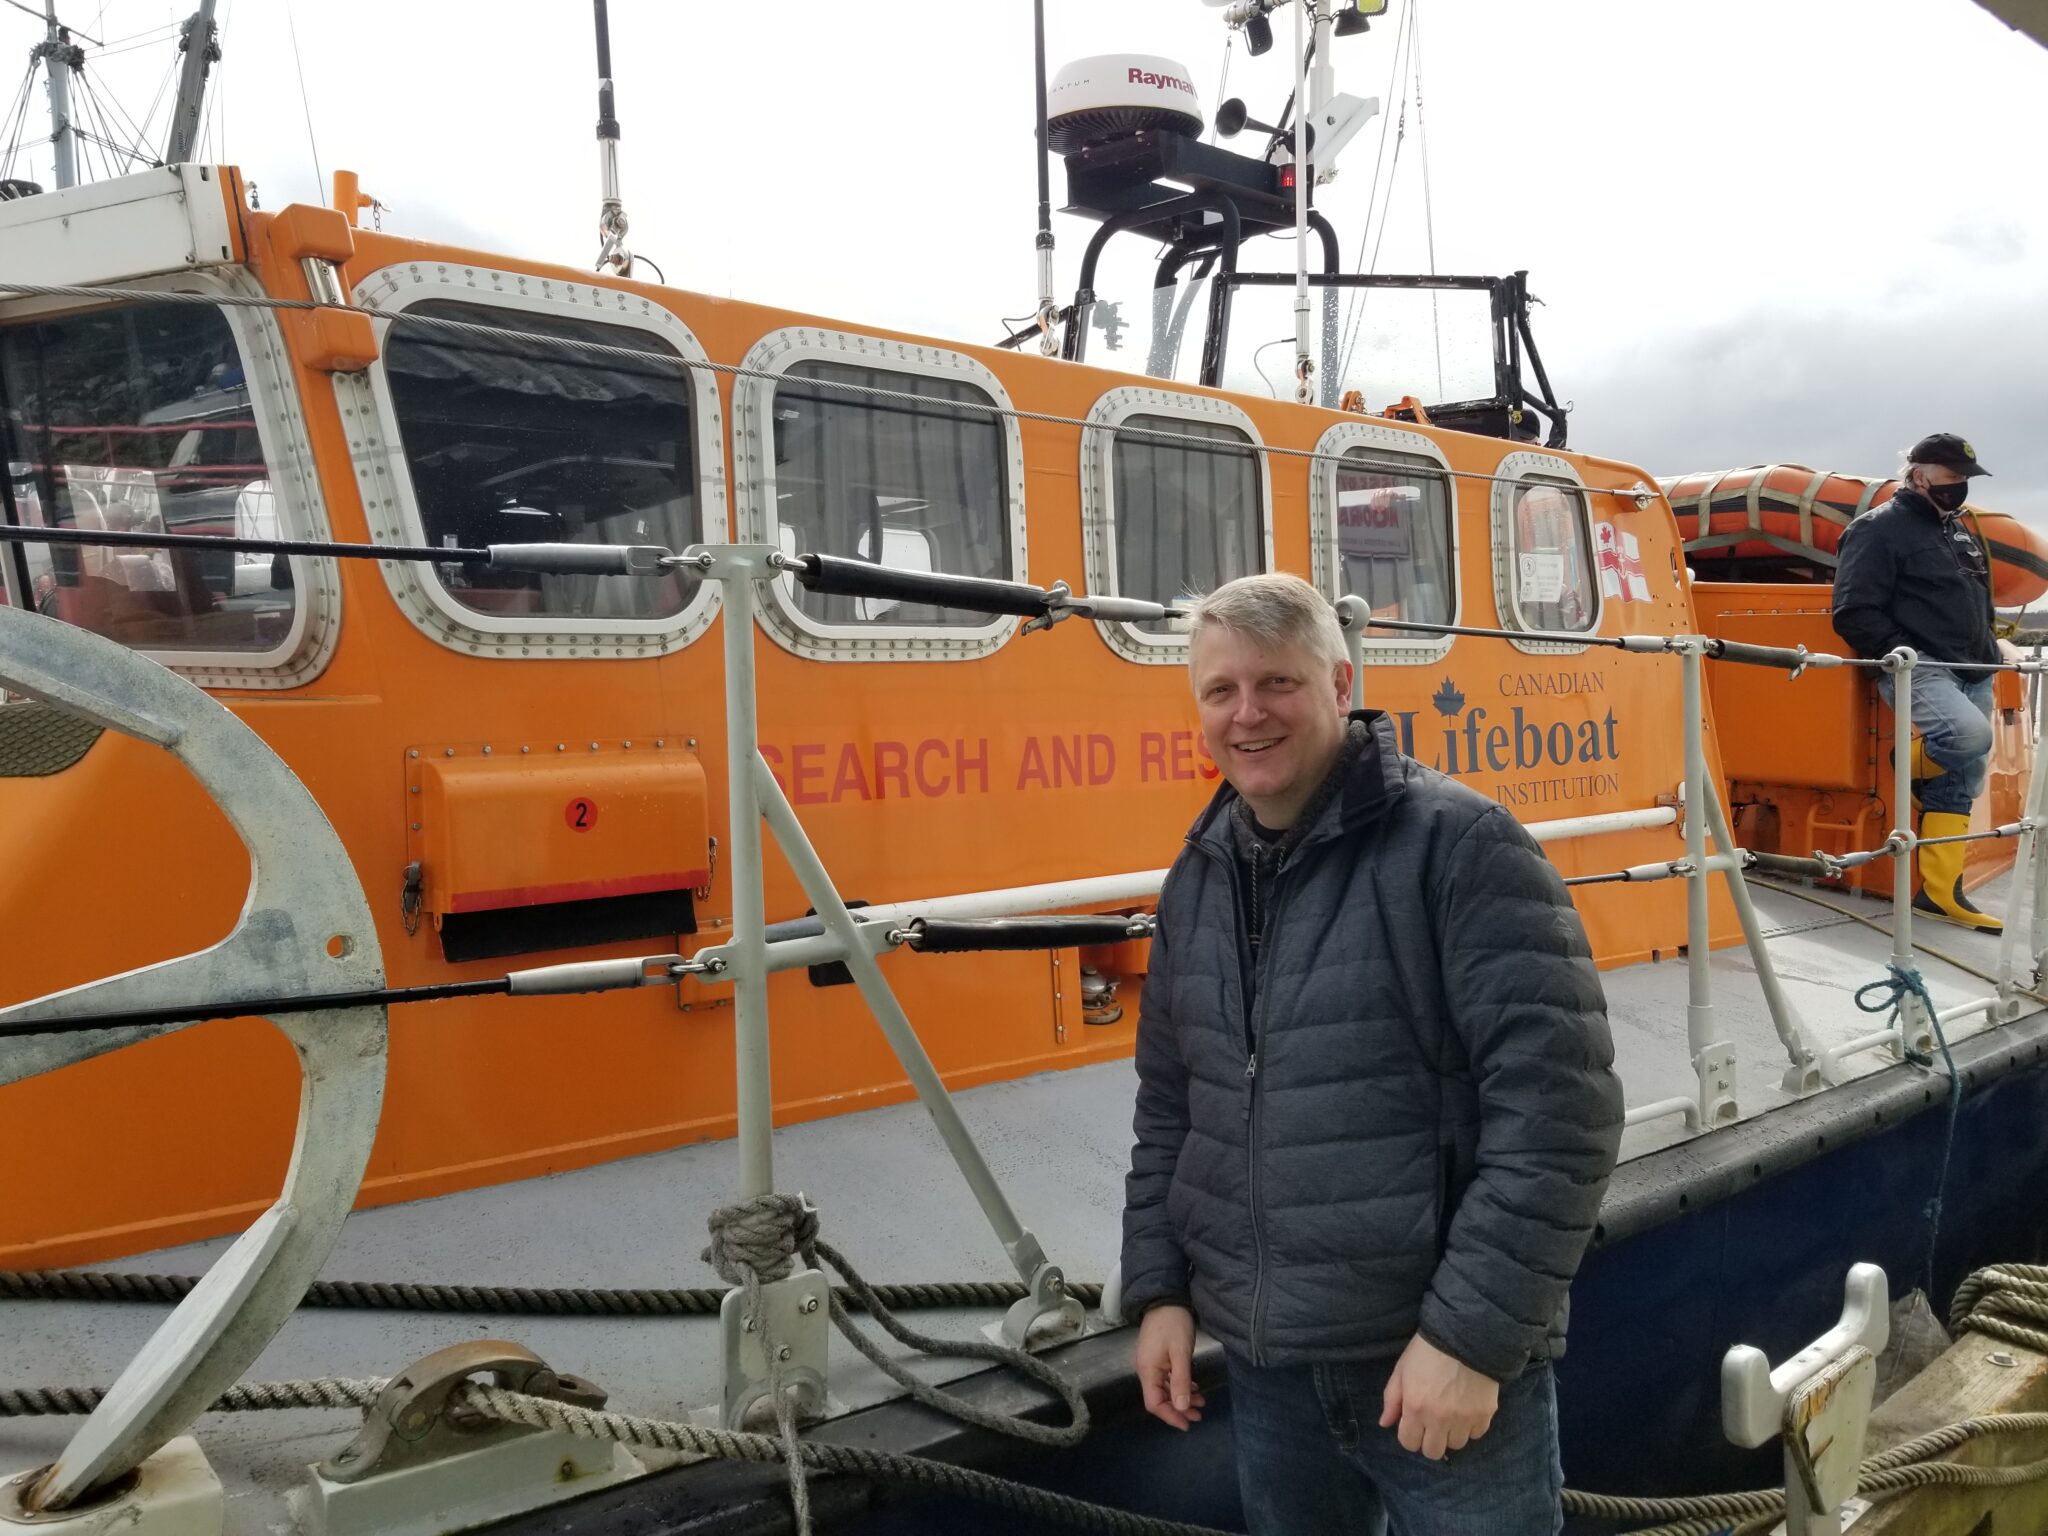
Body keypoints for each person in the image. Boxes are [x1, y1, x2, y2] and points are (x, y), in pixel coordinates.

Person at [1120, 572, 1624, 1536]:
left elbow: (1562, 1113)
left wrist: (1468, 1341)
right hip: (1271, 1374)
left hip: (1432, 1367)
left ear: (1340, 683)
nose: (1247, 714)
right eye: (1221, 690)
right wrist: (1160, 1289)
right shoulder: (1199, 876)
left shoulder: (1462, 846)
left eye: (1277, 682)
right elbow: (1173, 1106)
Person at [1831, 433, 2002, 934]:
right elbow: (1853, 610)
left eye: (1965, 478)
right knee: (1967, 738)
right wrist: (1900, 653)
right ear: (1919, 474)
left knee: (1962, 780)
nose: (1960, 486)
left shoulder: (1958, 530)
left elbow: (1976, 601)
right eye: (1952, 477)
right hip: (1921, 663)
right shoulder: (1877, 530)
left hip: (1975, 666)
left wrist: (1993, 649)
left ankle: (1940, 893)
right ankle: (1903, 766)